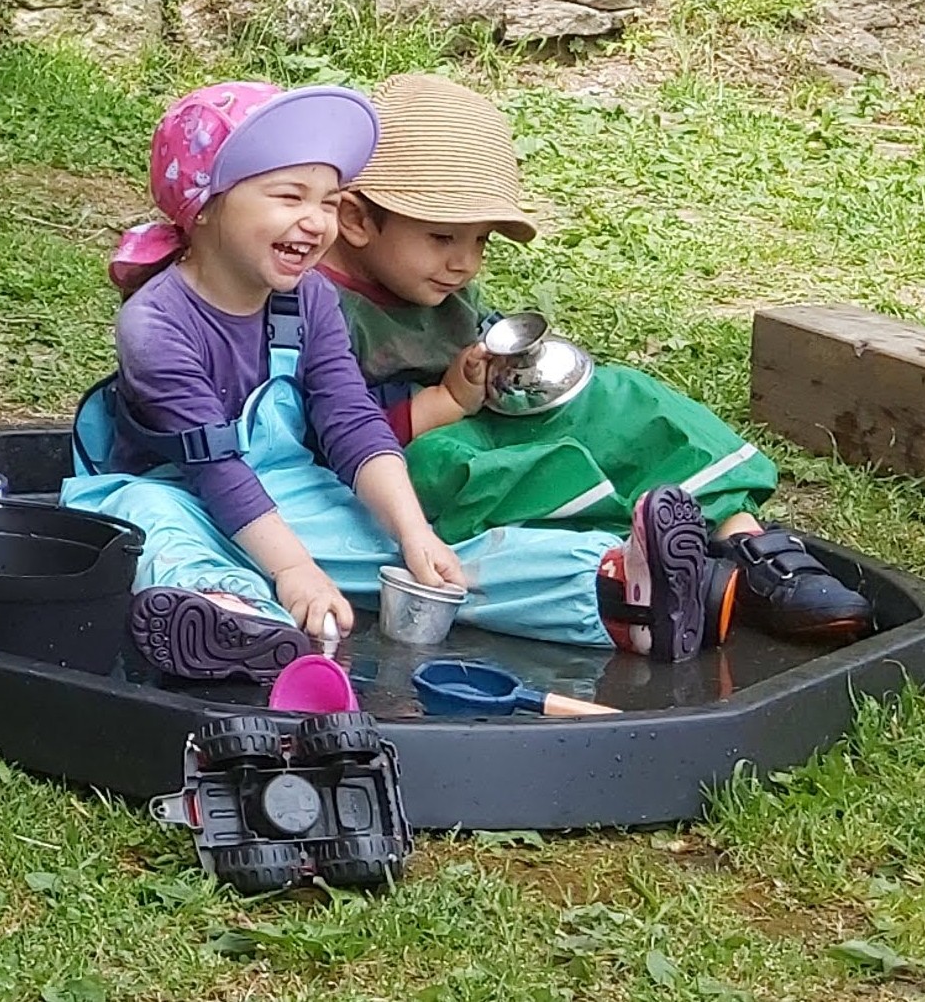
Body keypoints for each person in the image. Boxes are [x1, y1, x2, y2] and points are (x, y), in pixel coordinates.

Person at [60, 80, 729, 683]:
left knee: (434, 559)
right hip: (181, 490)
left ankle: (609, 590)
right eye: (290, 197)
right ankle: (229, 613)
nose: (316, 221)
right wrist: (294, 571)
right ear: (205, 206)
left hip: (293, 495)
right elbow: (216, 471)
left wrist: (413, 533)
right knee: (143, 524)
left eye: (327, 202)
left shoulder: (307, 299)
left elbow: (352, 423)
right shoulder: (156, 324)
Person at [316, 73, 873, 644]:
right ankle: (650, 566)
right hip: (404, 458)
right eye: (443, 238)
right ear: (357, 219)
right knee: (473, 467)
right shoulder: (324, 307)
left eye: (481, 240)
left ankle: (746, 544)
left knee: (626, 395)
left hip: (483, 420)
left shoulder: (441, 288)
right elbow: (329, 436)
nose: (466, 263)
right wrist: (446, 401)